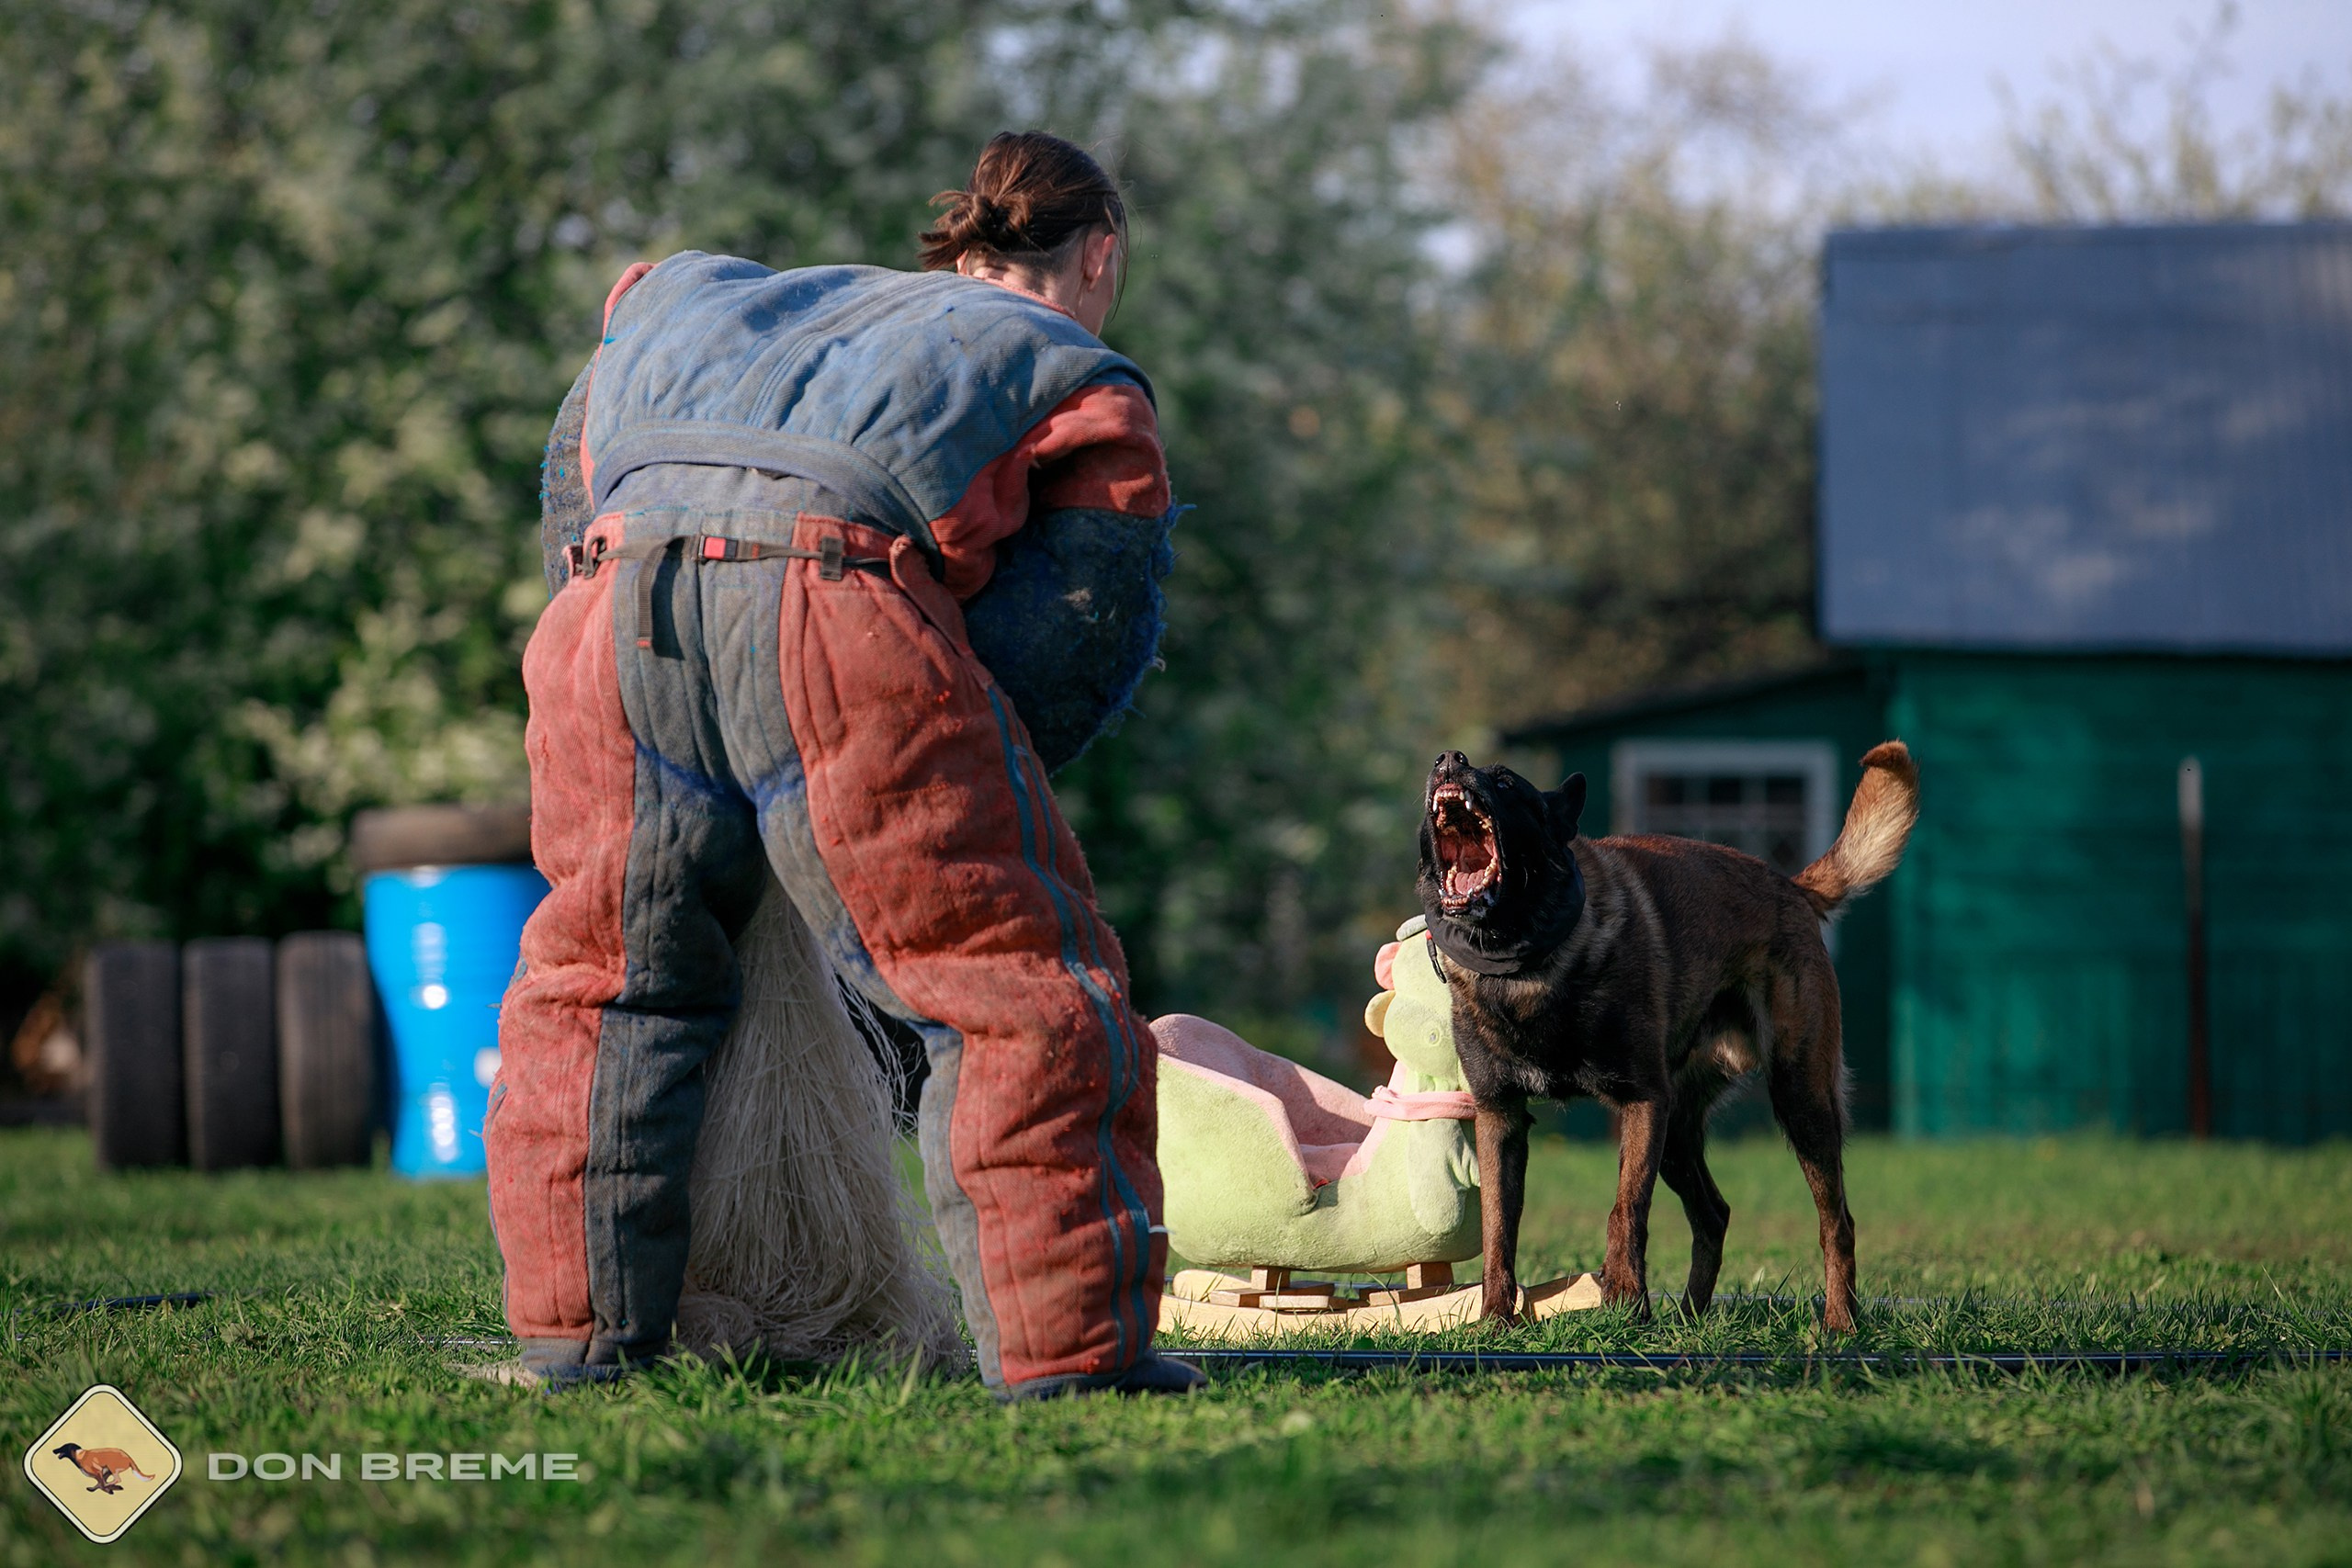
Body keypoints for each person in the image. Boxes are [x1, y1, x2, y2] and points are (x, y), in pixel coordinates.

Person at [491, 131, 1200, 1401]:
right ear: (1101, 256)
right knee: (1009, 988)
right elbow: (1076, 635)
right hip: (838, 610)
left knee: (600, 985)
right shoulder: (1068, 370)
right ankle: (1070, 1356)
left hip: (605, 615)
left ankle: (577, 1344)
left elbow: (573, 465)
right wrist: (932, 778)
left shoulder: (719, 304)